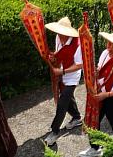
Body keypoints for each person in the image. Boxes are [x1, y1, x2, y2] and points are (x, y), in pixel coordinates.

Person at [79, 30, 113, 157]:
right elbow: (99, 69)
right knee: (94, 120)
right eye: (108, 42)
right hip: (101, 93)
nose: (108, 45)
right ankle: (95, 148)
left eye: (112, 43)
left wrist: (106, 95)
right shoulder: (104, 53)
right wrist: (96, 72)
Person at [43, 17, 83, 146]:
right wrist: (54, 56)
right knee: (68, 98)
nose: (59, 36)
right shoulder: (57, 38)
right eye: (58, 33)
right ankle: (77, 117)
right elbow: (60, 52)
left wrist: (63, 71)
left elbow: (79, 65)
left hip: (72, 77)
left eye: (62, 33)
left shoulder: (78, 45)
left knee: (62, 103)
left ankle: (54, 132)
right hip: (61, 72)